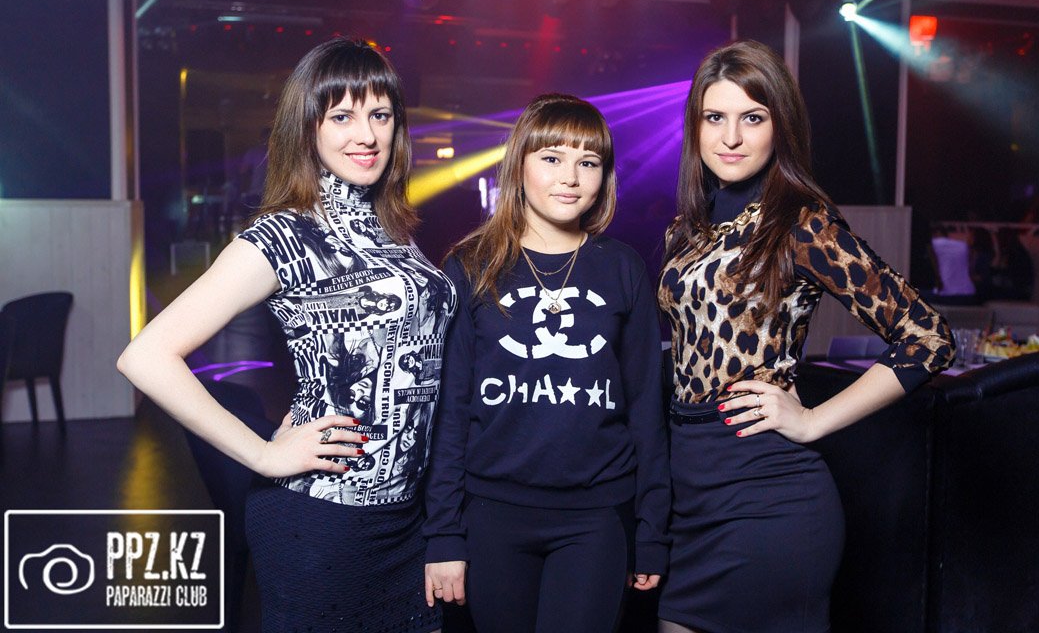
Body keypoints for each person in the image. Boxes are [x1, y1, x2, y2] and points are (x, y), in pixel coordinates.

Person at [118, 37, 455, 633]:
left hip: (407, 521)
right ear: (308, 128)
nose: (366, 135)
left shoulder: (395, 230)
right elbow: (146, 356)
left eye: (380, 115)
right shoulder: (283, 236)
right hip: (319, 522)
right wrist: (264, 454)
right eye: (342, 116)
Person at [656, 40, 954, 633]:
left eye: (752, 118)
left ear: (780, 126)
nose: (731, 137)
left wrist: (813, 420)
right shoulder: (687, 228)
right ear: (695, 127)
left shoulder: (800, 224)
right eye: (715, 118)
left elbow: (929, 337)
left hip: (768, 498)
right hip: (691, 495)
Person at [423, 93, 670, 633]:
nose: (571, 178)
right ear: (520, 164)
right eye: (552, 158)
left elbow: (647, 409)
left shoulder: (623, 269)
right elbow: (450, 410)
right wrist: (443, 534)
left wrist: (652, 529)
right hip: (492, 515)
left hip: (596, 518)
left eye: (589, 162)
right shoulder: (472, 267)